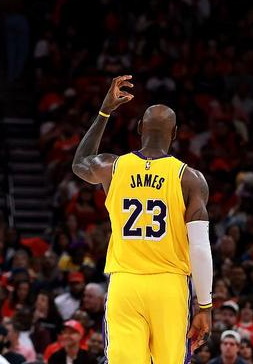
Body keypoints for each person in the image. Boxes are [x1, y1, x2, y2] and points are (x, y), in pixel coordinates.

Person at [72, 76, 213, 363]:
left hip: (125, 284)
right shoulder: (190, 178)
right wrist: (205, 306)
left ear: (139, 128)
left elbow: (80, 162)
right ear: (175, 133)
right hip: (169, 286)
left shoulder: (112, 167)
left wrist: (104, 112)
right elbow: (200, 248)